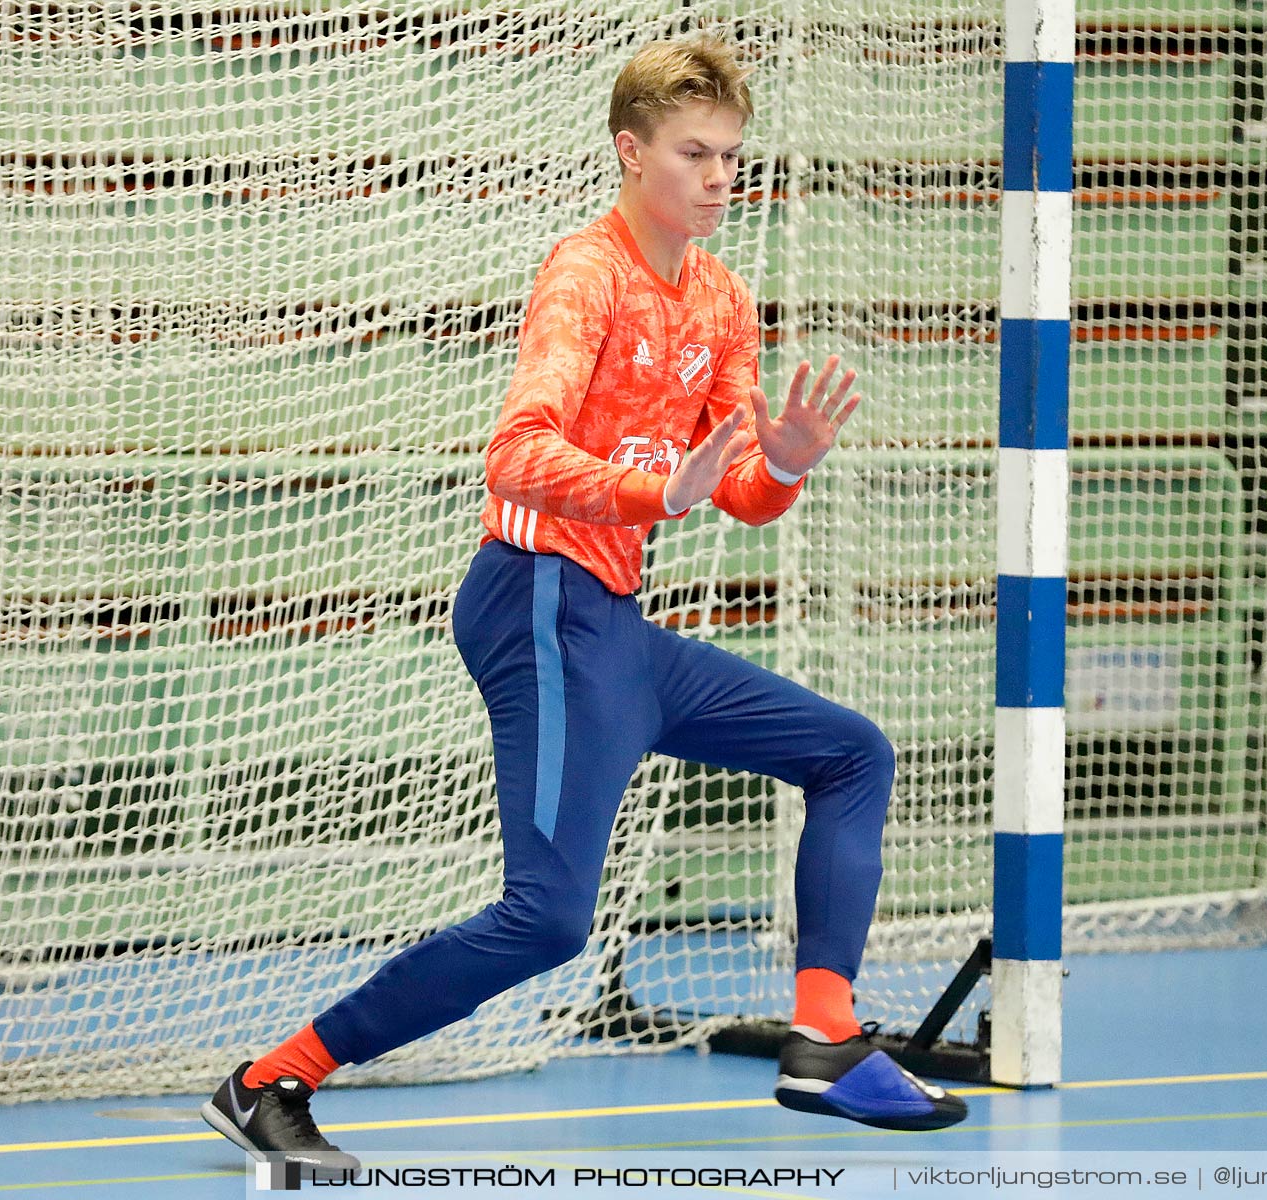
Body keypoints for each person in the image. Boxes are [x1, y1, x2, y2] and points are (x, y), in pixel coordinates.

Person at [200, 34, 967, 1171]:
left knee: (850, 752)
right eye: (694, 154)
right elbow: (516, 455)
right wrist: (656, 487)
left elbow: (743, 495)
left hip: (612, 623)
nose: (718, 178)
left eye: (732, 157)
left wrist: (791, 459)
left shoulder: (720, 299)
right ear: (631, 151)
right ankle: (272, 1080)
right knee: (550, 919)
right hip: (539, 602)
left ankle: (823, 1034)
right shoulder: (586, 273)